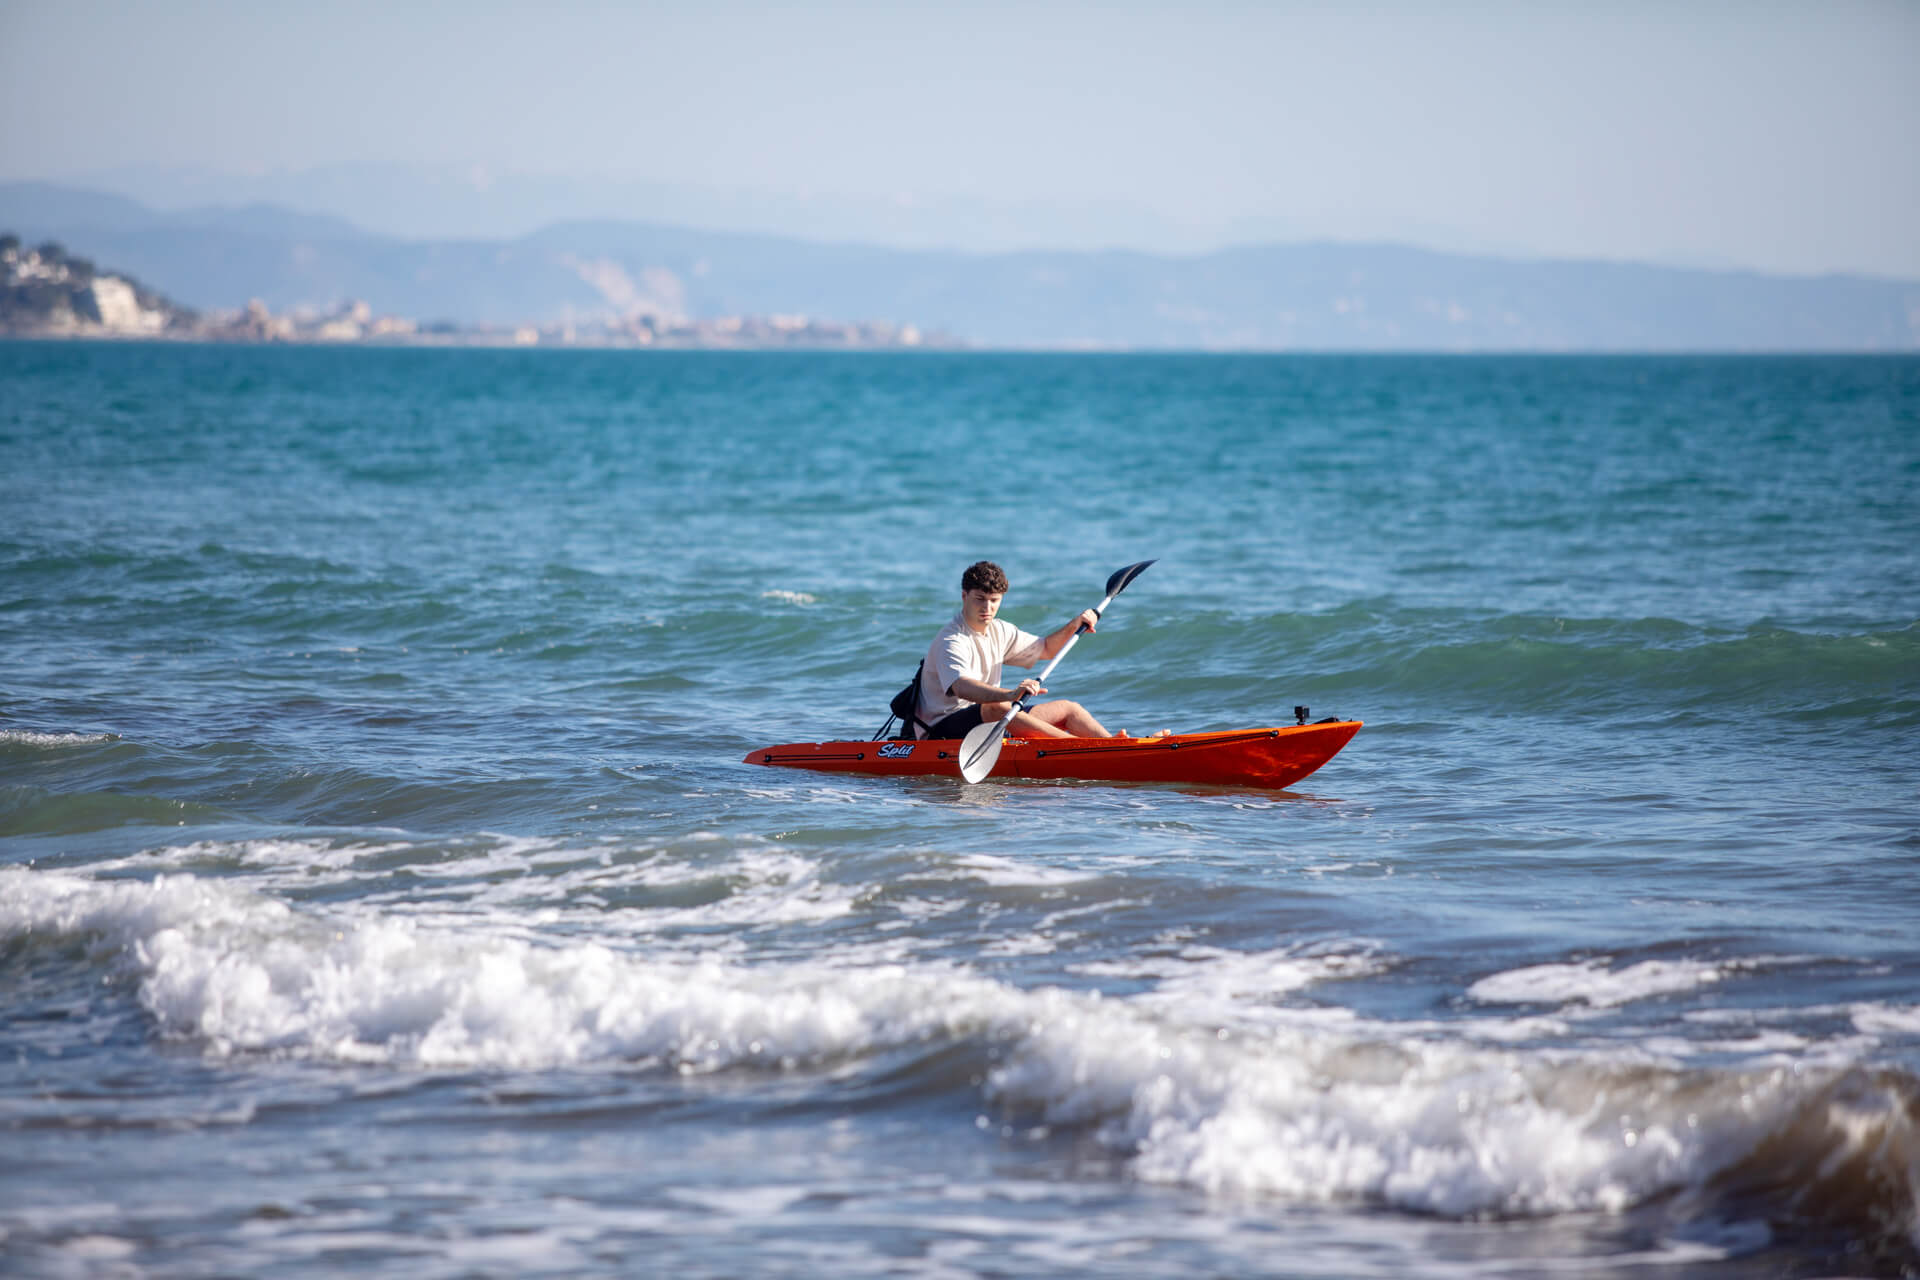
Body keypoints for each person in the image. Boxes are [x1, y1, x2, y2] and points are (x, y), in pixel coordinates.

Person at [914, 561, 1122, 741]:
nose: (987, 607)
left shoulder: (1001, 631)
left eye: (994, 600)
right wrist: (1011, 694)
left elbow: (1046, 649)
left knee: (1069, 709)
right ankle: (1081, 749)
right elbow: (961, 686)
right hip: (940, 729)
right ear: (964, 596)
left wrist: (1075, 624)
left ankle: (1116, 747)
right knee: (997, 706)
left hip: (991, 719)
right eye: (979, 598)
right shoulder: (952, 639)